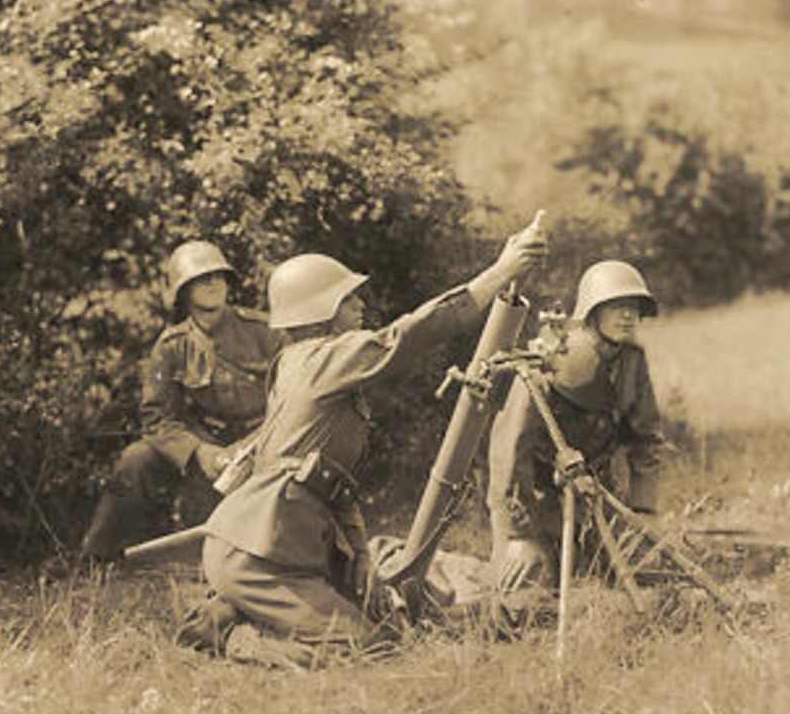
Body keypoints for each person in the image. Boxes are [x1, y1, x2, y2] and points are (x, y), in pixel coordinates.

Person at [180, 221, 548, 666]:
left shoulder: (298, 363)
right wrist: (498, 273)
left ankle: (239, 611)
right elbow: (410, 335)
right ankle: (232, 634)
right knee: (365, 649)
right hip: (258, 559)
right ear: (321, 311)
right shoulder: (325, 358)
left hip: (278, 548)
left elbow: (328, 480)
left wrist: (357, 555)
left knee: (386, 624)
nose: (359, 306)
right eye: (348, 299)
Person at [77, 240, 279, 565]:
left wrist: (249, 445)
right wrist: (200, 452)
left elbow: (294, 396)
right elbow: (157, 418)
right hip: (207, 449)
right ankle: (95, 559)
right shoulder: (171, 346)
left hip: (265, 440)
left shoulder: (264, 331)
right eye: (202, 278)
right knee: (135, 459)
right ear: (183, 291)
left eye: (219, 275)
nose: (213, 283)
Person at [485, 260, 666, 592]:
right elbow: (509, 454)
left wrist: (643, 511)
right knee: (527, 592)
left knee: (646, 570)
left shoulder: (632, 363)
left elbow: (646, 442)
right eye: (616, 307)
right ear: (592, 311)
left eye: (634, 308)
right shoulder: (549, 361)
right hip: (535, 504)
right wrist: (518, 535)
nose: (627, 316)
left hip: (597, 496)